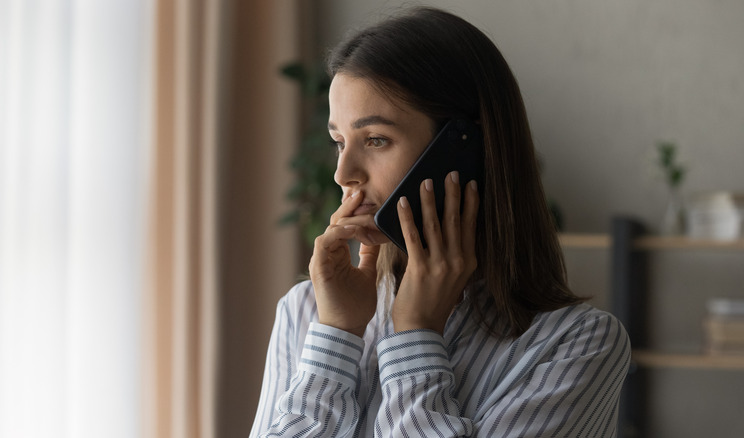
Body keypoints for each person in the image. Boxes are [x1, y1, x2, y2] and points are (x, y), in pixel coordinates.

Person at [249, 7, 630, 438]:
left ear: (464, 150)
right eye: (340, 141)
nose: (343, 174)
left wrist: (417, 334)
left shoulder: (576, 344)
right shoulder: (307, 312)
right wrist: (337, 336)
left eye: (376, 139)